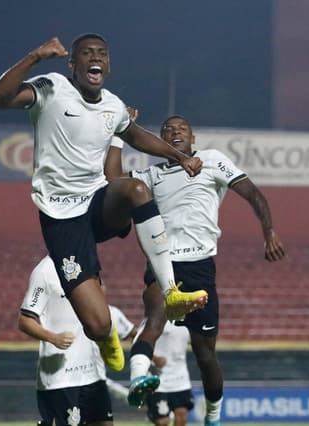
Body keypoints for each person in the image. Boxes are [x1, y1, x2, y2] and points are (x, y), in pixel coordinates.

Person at [0, 34, 208, 374]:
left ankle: (171, 292)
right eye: (86, 53)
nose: (96, 58)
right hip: (62, 219)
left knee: (134, 189)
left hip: (97, 203)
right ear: (72, 64)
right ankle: (105, 338)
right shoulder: (51, 87)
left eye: (102, 54)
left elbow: (135, 135)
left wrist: (180, 157)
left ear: (108, 64)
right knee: (98, 324)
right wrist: (35, 56)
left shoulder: (113, 106)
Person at [106, 115, 286, 424]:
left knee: (205, 356)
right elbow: (112, 179)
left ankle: (213, 416)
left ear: (193, 139)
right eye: (166, 131)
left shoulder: (212, 161)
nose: (174, 132)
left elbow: (254, 194)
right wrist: (119, 133)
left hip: (200, 268)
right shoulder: (149, 175)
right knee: (153, 320)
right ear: (158, 143)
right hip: (164, 264)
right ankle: (138, 379)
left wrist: (269, 231)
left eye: (181, 129)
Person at [19, 256, 116, 426]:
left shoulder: (88, 263)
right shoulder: (44, 272)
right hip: (61, 378)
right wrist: (53, 338)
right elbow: (24, 320)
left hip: (92, 373)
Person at [140, 320, 194, 426]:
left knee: (182, 416)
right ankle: (152, 415)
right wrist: (154, 358)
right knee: (162, 421)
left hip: (180, 379)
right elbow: (138, 342)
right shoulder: (153, 318)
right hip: (157, 380)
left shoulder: (189, 322)